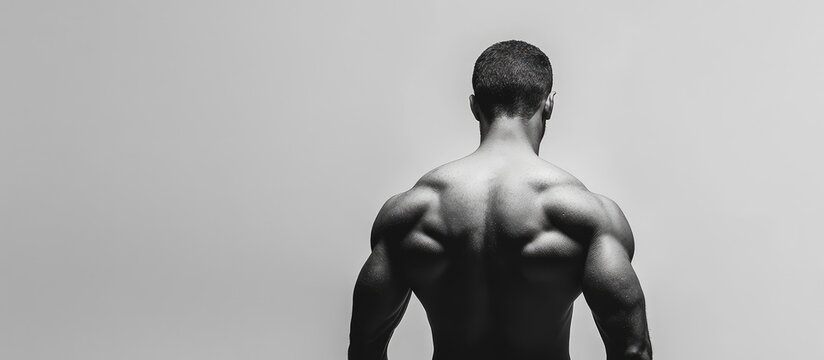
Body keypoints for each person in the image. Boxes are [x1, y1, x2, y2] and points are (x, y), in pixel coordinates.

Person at [348, 40, 652, 360]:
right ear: (548, 104)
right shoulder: (585, 214)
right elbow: (632, 350)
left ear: (474, 106)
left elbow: (365, 346)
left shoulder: (412, 212)